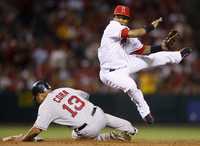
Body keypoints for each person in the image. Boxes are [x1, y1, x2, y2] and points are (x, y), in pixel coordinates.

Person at [98, 5, 192, 124]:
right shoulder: (112, 27)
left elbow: (142, 50)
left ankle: (178, 55)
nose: (121, 19)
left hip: (125, 63)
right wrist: (151, 27)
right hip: (110, 73)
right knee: (131, 86)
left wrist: (161, 47)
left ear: (127, 20)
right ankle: (145, 113)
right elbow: (134, 33)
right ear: (114, 17)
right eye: (119, 16)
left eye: (124, 17)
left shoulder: (126, 32)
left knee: (150, 59)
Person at [2, 80, 138, 142]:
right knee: (102, 116)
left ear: (39, 95)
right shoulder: (62, 90)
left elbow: (37, 130)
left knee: (75, 136)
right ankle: (130, 128)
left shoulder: (45, 105)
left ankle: (110, 137)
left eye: (35, 97)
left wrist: (24, 139)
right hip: (98, 112)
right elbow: (86, 95)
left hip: (89, 129)